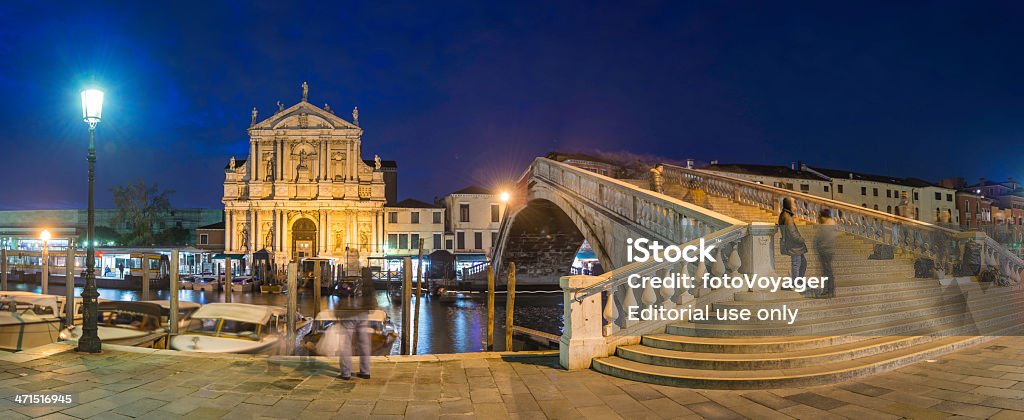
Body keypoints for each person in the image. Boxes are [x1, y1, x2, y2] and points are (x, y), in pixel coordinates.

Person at [778, 198, 807, 280]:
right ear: (789, 205)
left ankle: (798, 281)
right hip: (794, 245)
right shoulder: (787, 217)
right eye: (794, 204)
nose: (795, 206)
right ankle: (796, 282)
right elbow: (792, 233)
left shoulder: (785, 215)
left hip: (794, 245)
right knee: (797, 264)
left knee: (802, 263)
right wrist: (801, 239)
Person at [337, 311, 371, 380]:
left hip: (348, 312)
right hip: (363, 312)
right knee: (364, 343)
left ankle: (346, 373)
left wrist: (337, 313)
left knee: (346, 343)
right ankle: (365, 372)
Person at [813, 209, 837, 298]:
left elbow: (819, 240)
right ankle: (830, 290)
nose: (819, 218)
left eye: (820, 216)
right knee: (828, 271)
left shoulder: (825, 227)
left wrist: (818, 247)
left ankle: (828, 290)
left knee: (826, 272)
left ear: (824, 217)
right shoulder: (831, 225)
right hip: (829, 251)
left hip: (824, 252)